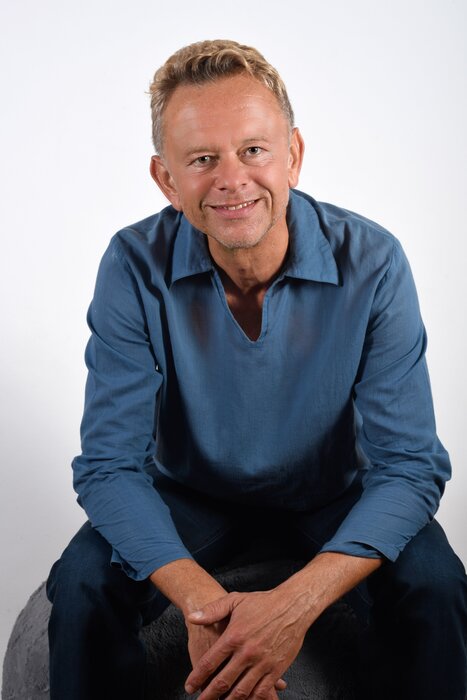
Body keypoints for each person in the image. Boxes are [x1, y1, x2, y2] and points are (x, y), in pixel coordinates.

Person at [46, 39, 467, 700]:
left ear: (292, 155)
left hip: (334, 495)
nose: (231, 179)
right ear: (166, 179)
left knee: (437, 586)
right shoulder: (131, 264)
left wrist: (292, 607)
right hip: (188, 497)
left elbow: (410, 466)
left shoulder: (374, 261)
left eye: (253, 150)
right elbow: (109, 465)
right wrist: (201, 605)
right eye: (202, 159)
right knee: (79, 584)